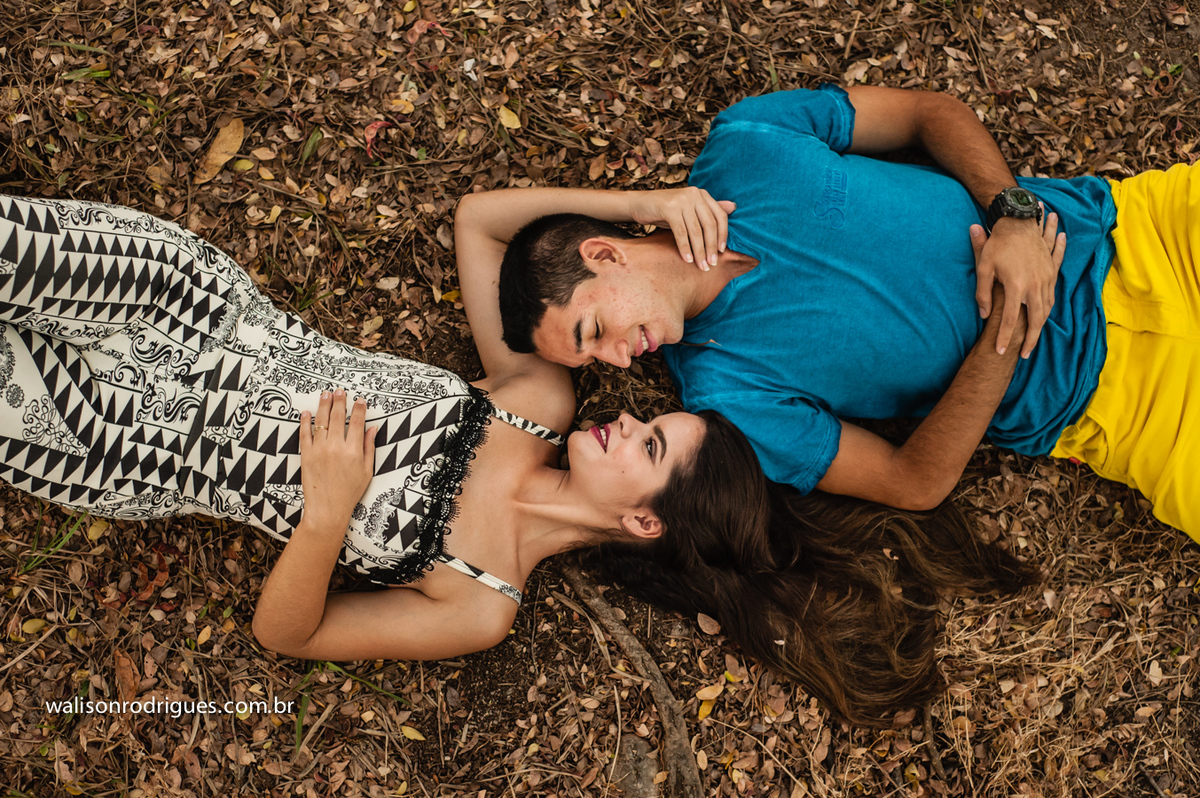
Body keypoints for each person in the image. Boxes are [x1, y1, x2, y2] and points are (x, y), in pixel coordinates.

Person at [0, 191, 1031, 725]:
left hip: (124, 442)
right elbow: (483, 224)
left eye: (649, 443)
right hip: (186, 305)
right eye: (651, 420)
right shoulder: (537, 400)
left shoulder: (478, 602)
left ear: (643, 520)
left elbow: (289, 636)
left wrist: (327, 515)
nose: (629, 418)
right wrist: (641, 206)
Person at [489, 84, 1199, 542]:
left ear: (604, 254)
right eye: (594, 358)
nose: (617, 359)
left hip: (1138, 234)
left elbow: (929, 113)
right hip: (1118, 405)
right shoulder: (728, 398)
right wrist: (1006, 331)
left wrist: (1012, 216)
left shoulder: (745, 142)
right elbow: (911, 483)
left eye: (593, 331)